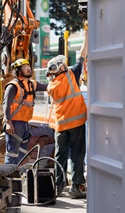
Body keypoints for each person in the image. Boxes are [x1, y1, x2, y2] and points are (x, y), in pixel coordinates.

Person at [46, 30, 88, 199]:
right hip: (76, 123)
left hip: (61, 126)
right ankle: (77, 188)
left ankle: (57, 187)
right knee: (77, 156)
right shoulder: (72, 74)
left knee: (60, 156)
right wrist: (86, 35)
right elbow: (83, 54)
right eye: (62, 63)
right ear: (60, 67)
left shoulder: (52, 86)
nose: (65, 64)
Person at [3, 58, 48, 165]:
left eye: (28, 66)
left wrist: (58, 78)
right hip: (14, 124)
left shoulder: (32, 84)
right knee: (12, 153)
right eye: (25, 67)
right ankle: (8, 177)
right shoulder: (13, 86)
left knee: (22, 153)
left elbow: (47, 87)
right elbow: (6, 105)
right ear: (18, 71)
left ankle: (18, 175)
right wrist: (8, 123)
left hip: (25, 124)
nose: (28, 69)